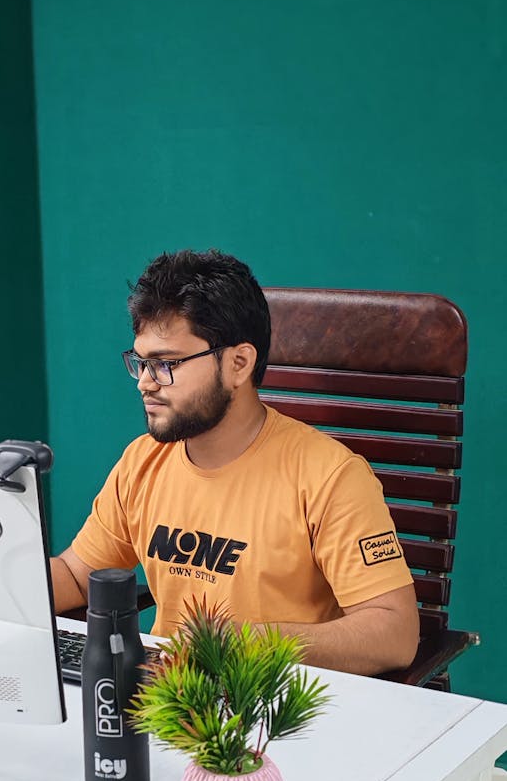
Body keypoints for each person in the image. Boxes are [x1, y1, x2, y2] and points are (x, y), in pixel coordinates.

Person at [51, 250, 419, 675]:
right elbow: (78, 577)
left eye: (167, 363)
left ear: (239, 363)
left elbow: (395, 634)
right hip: (164, 700)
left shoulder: (330, 477)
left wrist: (245, 641)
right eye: (141, 362)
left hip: (274, 711)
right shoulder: (143, 461)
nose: (145, 383)